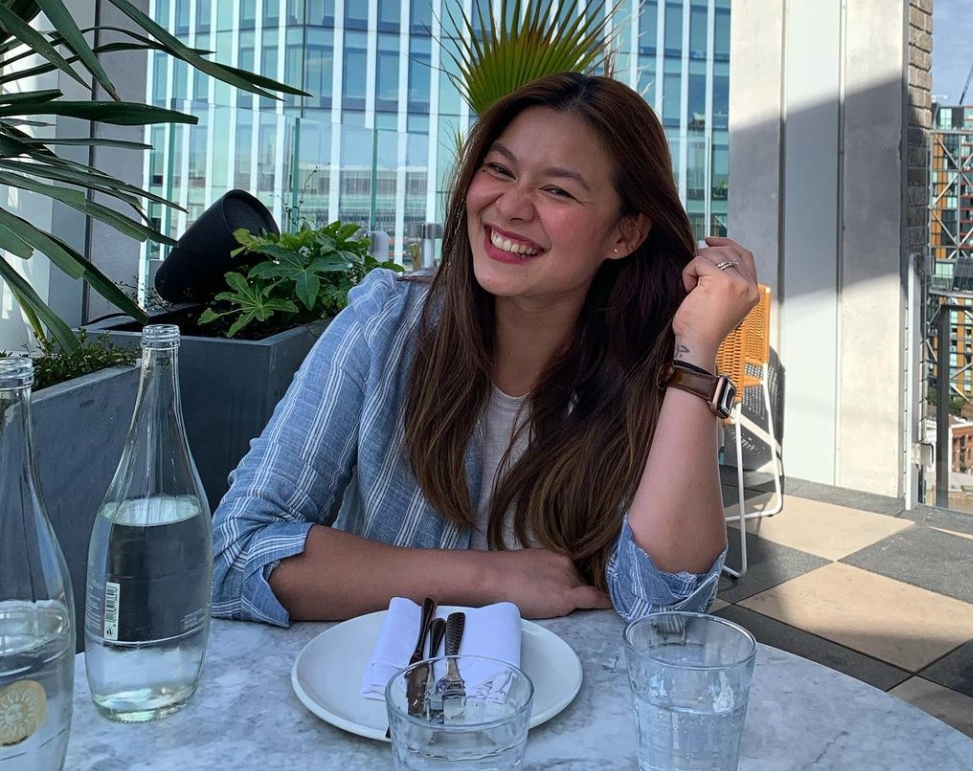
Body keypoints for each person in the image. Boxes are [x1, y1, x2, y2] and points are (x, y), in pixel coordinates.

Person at [211, 72, 760, 626]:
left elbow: (670, 611)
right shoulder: (387, 324)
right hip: (385, 698)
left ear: (625, 234)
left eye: (557, 190)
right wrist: (487, 577)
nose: (511, 207)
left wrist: (695, 354)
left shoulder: (656, 371)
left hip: (577, 703)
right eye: (500, 170)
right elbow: (235, 553)